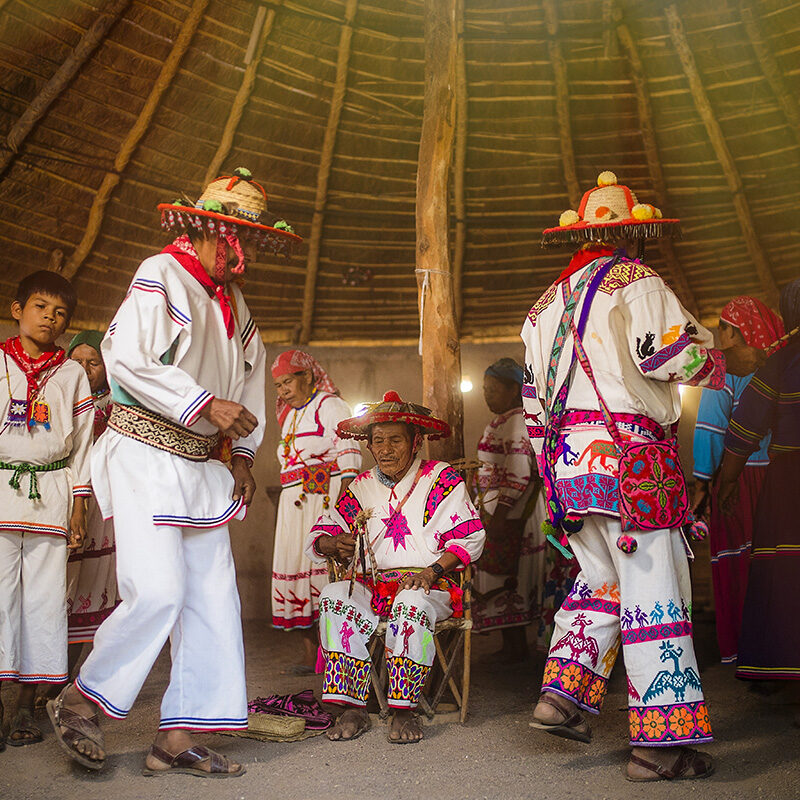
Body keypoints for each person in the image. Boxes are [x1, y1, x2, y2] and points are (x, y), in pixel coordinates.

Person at [47, 167, 298, 777]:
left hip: (197, 467)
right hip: (145, 453)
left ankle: (178, 735)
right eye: (241, 243)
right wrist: (204, 404)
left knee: (213, 599)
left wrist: (241, 453)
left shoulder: (238, 309)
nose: (246, 259)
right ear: (212, 229)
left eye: (255, 245)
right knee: (157, 590)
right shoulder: (160, 276)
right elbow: (126, 358)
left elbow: (248, 393)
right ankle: (80, 700)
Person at [522, 171, 765, 781]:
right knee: (656, 590)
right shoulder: (639, 281)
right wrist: (717, 354)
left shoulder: (543, 306)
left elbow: (532, 406)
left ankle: (563, 695)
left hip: (567, 464)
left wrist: (555, 469)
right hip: (631, 460)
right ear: (632, 232)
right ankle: (657, 747)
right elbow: (667, 355)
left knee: (601, 576)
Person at [305, 391, 485, 744]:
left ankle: (404, 711)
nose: (385, 449)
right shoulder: (360, 486)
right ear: (369, 445)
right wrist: (331, 543)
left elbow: (471, 537)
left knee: (411, 602)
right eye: (378, 441)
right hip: (372, 586)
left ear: (415, 442)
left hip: (430, 584)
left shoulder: (441, 479)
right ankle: (353, 707)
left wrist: (431, 572)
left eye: (395, 440)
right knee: (333, 595)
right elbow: (323, 531)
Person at [0, 271, 93, 750]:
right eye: (40, 307)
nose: (50, 319)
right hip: (1, 488)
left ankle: (25, 706)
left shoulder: (72, 374)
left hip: (52, 492)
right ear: (18, 310)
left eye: (60, 314)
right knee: (0, 599)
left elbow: (81, 448)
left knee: (42, 601)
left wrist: (79, 503)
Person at [718, 279, 800, 704]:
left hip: (790, 483)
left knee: (788, 577)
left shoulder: (781, 363)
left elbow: (743, 432)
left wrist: (725, 483)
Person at [691, 297, 783, 663]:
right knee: (772, 559)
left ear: (737, 334)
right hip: (776, 477)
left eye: (723, 328)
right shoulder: (778, 368)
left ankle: (750, 649)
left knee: (740, 560)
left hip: (738, 478)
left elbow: (711, 431)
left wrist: (702, 482)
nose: (717, 335)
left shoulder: (724, 373)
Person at [271, 350, 361, 672]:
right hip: (293, 506)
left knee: (322, 572)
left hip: (322, 501)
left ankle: (333, 654)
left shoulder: (330, 405)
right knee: (296, 572)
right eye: (278, 385)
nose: (282, 390)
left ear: (307, 376)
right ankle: (311, 658)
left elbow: (350, 457)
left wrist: (344, 509)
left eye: (287, 382)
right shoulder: (290, 416)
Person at [472, 357, 543, 663]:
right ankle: (511, 644)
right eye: (485, 389)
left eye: (494, 388)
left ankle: (518, 648)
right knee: (502, 576)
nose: (487, 394)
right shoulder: (503, 420)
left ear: (515, 389)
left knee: (510, 576)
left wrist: (500, 515)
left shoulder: (517, 421)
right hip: (500, 510)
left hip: (513, 513)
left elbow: (518, 472)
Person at [65, 330, 120, 655]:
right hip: (61, 496)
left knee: (89, 583)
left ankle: (67, 676)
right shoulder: (55, 399)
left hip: (100, 505)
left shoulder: (116, 404)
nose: (86, 369)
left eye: (94, 362)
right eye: (78, 361)